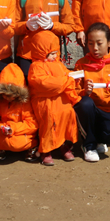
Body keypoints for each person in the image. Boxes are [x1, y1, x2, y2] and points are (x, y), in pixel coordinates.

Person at [12, 0, 75, 78]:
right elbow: (13, 26)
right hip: (27, 54)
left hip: (50, 55)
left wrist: (52, 26)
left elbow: (70, 26)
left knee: (49, 88)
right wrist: (27, 26)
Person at [74, 23, 110, 162]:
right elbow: (73, 93)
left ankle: (98, 139)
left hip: (108, 110)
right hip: (89, 111)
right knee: (85, 103)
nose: (95, 48)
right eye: (91, 43)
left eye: (99, 43)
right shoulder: (81, 64)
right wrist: (84, 92)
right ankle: (89, 146)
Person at [26, 31, 81, 166]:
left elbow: (66, 75)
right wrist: (67, 80)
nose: (55, 56)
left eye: (56, 52)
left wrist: (75, 77)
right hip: (44, 101)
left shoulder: (58, 64)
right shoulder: (35, 67)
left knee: (67, 114)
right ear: (41, 52)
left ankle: (63, 144)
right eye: (51, 53)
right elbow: (46, 84)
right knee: (50, 120)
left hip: (61, 100)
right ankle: (46, 150)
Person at [0, 79, 38, 158]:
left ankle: (32, 146)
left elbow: (32, 124)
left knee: (14, 143)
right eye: (4, 94)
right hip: (3, 128)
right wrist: (3, 127)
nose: (6, 97)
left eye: (10, 95)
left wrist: (12, 128)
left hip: (20, 131)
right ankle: (0, 148)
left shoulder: (25, 103)